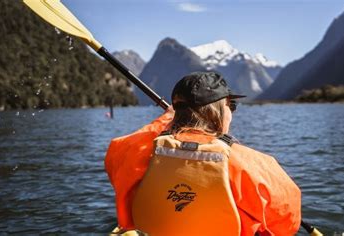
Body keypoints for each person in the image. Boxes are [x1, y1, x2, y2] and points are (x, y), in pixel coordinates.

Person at [105, 72, 301, 236]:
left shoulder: (140, 152)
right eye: (231, 106)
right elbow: (288, 222)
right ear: (218, 111)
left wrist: (167, 121)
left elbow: (117, 151)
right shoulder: (251, 163)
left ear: (177, 113)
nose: (232, 112)